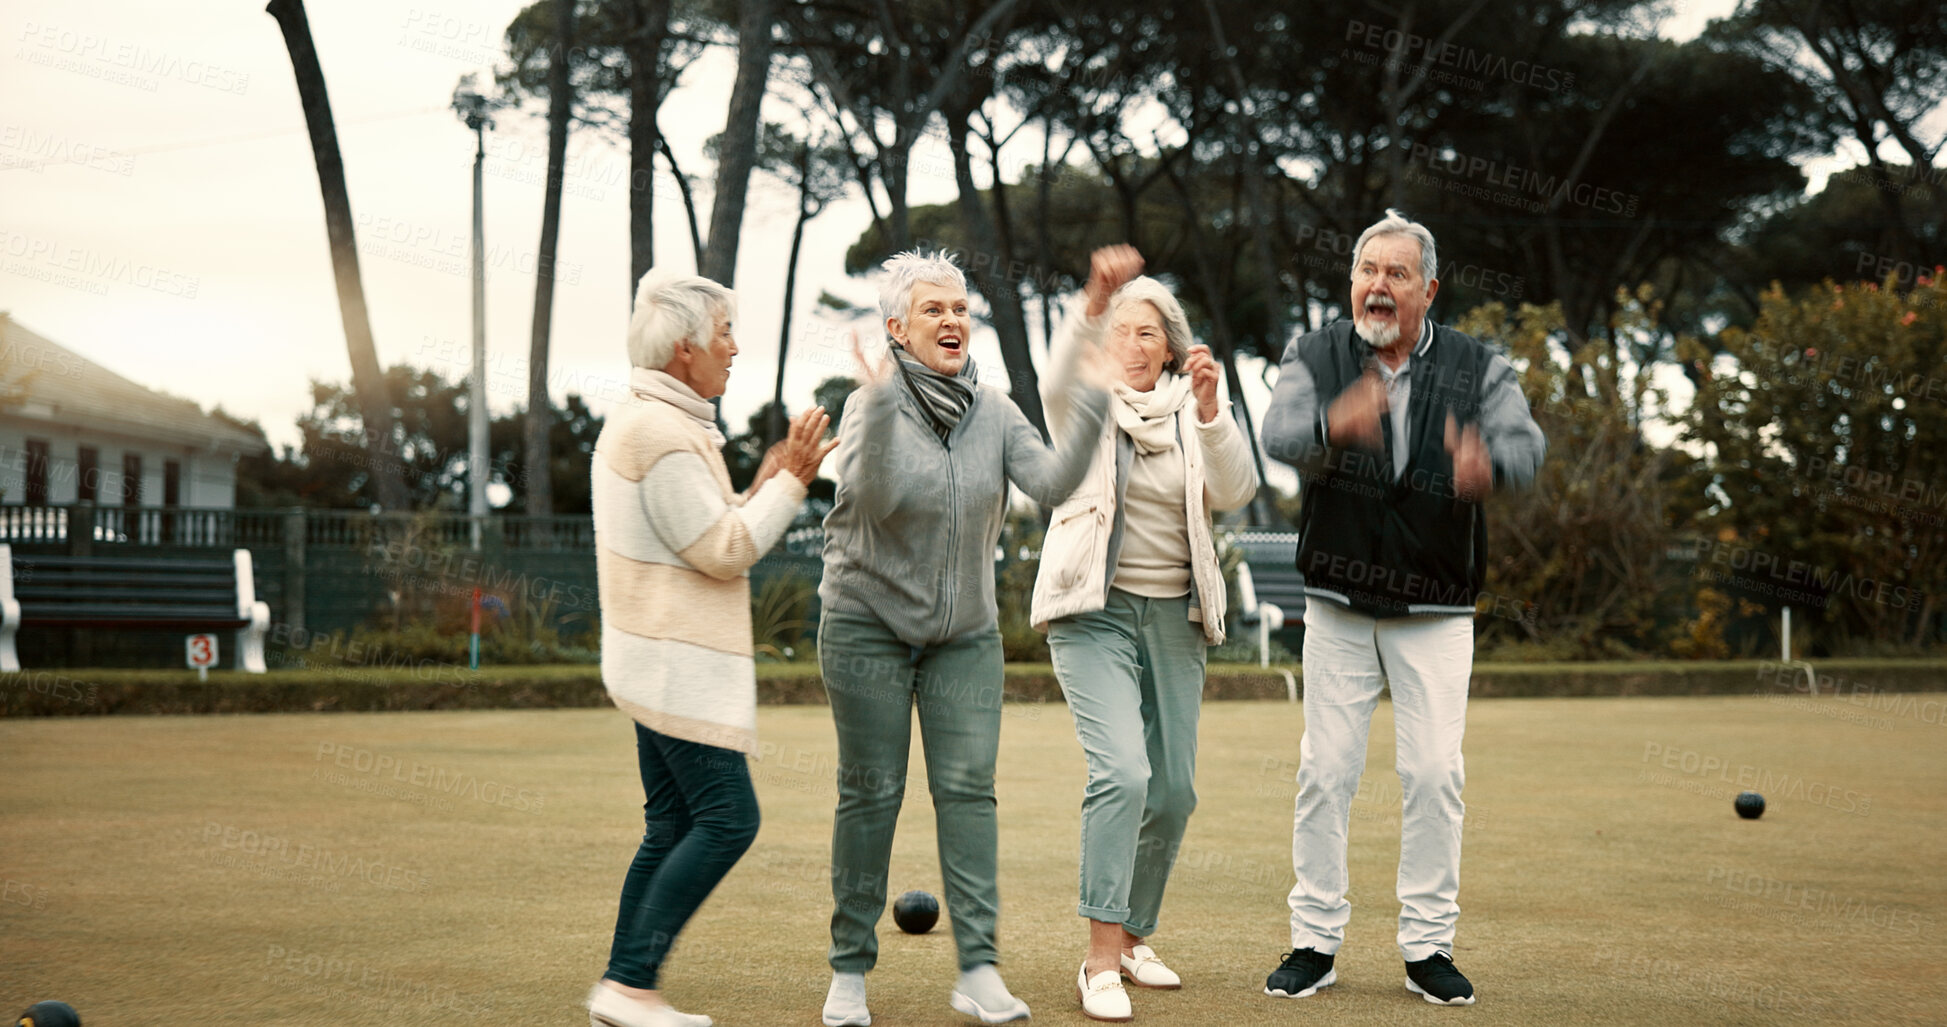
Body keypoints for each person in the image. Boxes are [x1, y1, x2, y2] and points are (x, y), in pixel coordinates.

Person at [1257, 209, 1545, 1007]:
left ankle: (1426, 946)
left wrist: (1490, 465)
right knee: (1325, 771)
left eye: (1396, 273)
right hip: (1337, 604)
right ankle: (1314, 939)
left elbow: (1526, 449)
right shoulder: (1312, 353)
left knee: (1431, 773)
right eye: (1366, 270)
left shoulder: (1478, 364)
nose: (1377, 285)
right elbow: (1279, 435)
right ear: (1351, 280)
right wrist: (1329, 425)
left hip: (1437, 605)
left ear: (1428, 289)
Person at [816, 250, 1110, 1027]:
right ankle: (848, 972)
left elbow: (1050, 484)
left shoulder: (995, 408)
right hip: (865, 623)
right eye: (933, 310)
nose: (952, 321)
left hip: (963, 633)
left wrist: (1094, 399)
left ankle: (978, 969)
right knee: (870, 791)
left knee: (970, 793)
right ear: (896, 330)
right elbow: (873, 499)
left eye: (959, 308)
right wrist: (878, 405)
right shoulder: (864, 405)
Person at [587, 268, 838, 1027]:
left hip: (659, 662)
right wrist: (791, 483)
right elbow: (724, 550)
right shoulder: (659, 432)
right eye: (723, 332)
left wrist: (765, 479)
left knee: (670, 825)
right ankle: (629, 987)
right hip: (674, 666)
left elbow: (707, 523)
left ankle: (622, 985)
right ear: (684, 347)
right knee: (728, 818)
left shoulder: (661, 421)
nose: (734, 346)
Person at [1029, 246, 1259, 1021]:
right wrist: (1092, 302)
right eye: (1122, 329)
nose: (1133, 342)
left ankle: (1131, 935)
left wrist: (1210, 410)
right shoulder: (1085, 401)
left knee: (1174, 789)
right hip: (1091, 612)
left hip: (1176, 616)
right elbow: (1057, 379)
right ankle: (1097, 958)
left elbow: (1234, 489)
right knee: (1122, 773)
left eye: (1147, 332)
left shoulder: (1191, 414)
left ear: (1170, 346)